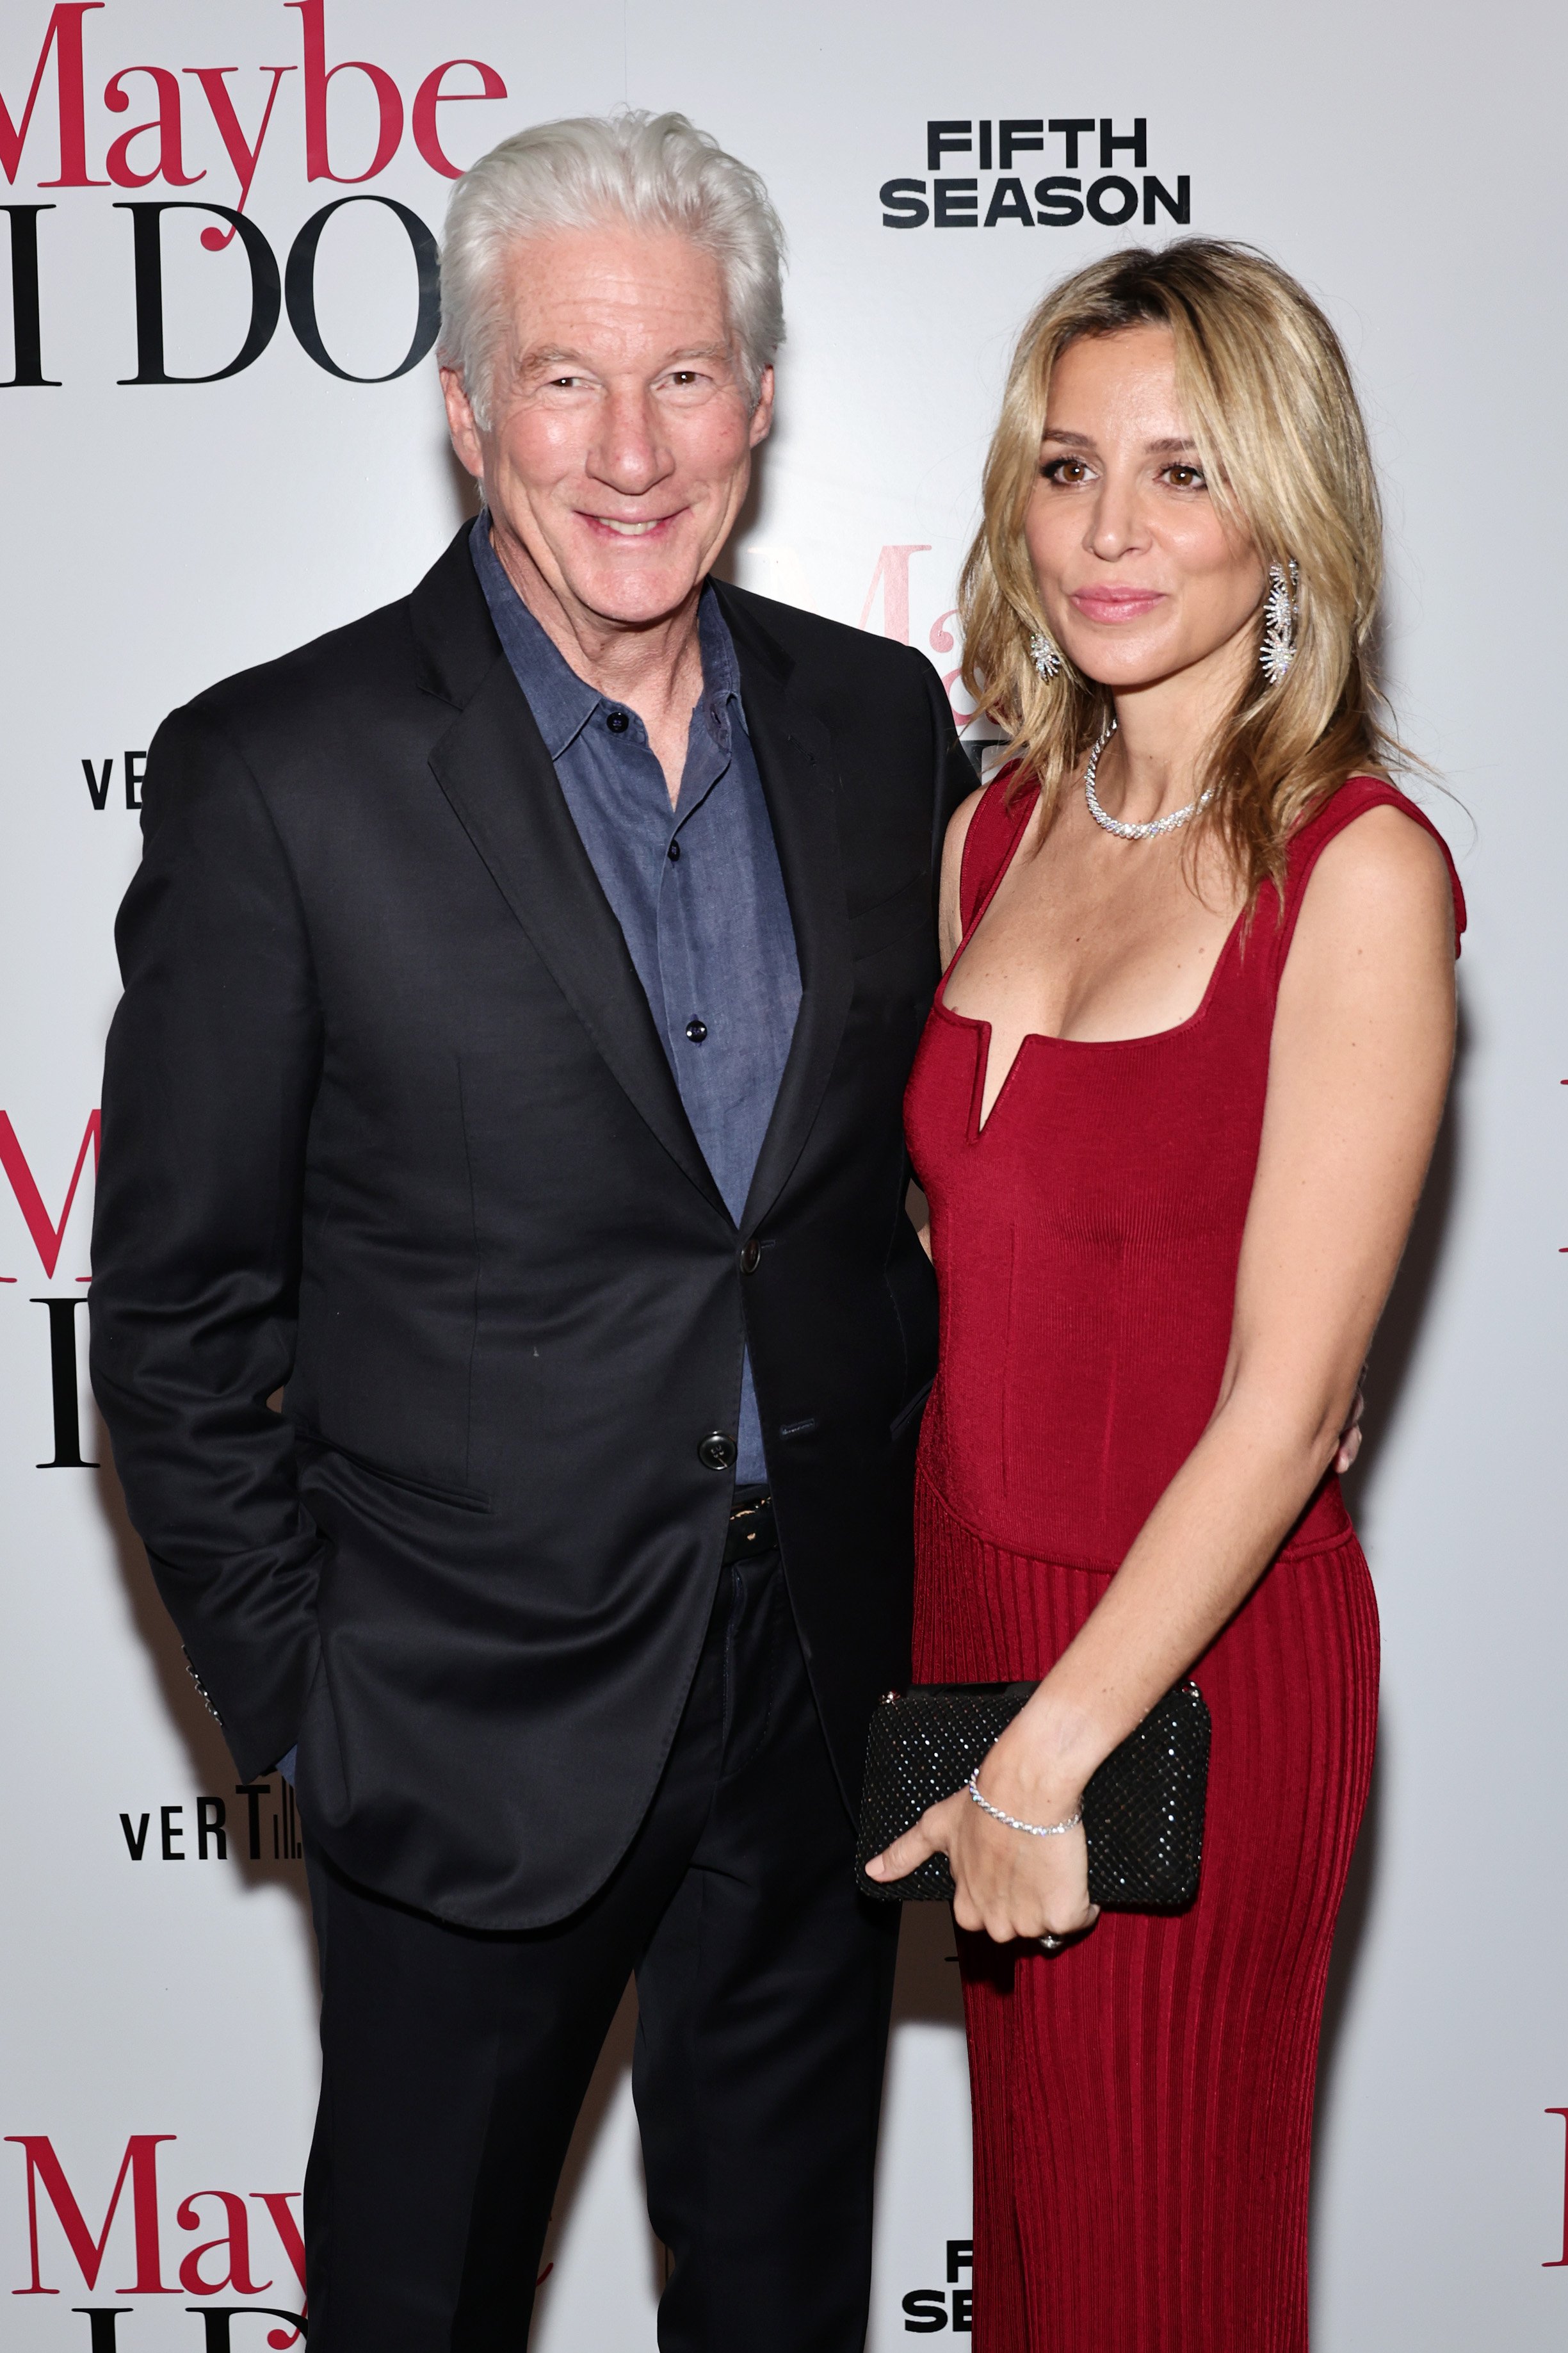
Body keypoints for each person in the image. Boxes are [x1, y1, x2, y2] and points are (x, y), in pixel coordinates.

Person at [90, 111, 969, 2351]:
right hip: (460, 1729)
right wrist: (312, 1702)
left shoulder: (885, 729)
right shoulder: (280, 772)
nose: (630, 447)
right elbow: (180, 1309)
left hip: (811, 1708)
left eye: (683, 375)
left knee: (779, 2305)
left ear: (760, 404)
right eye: (565, 379)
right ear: (467, 406)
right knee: (420, 2304)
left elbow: (922, 1188)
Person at [867, 241, 1462, 2350]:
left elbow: (1289, 1403)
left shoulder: (1354, 868)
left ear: (1283, 512)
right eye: (1066, 466)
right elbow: (981, 1244)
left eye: (1182, 472)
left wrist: (1050, 1759)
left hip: (1182, 1665)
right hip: (981, 1632)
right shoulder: (993, 831)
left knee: (1157, 2289)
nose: (1110, 530)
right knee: (1039, 2273)